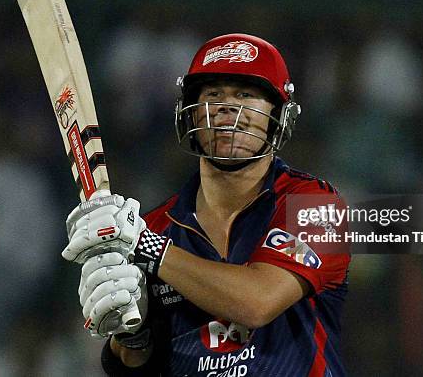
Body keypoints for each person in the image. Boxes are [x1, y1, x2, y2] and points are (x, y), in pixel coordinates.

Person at [62, 33, 351, 376]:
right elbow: (134, 368)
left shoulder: (315, 205)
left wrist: (147, 248)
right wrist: (132, 335)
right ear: (191, 114)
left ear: (280, 114)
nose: (228, 106)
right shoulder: (152, 224)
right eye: (213, 94)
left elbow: (257, 302)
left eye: (245, 94)